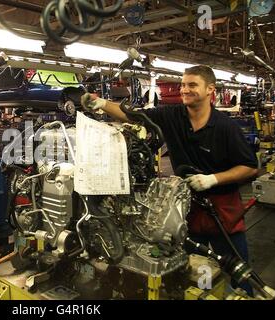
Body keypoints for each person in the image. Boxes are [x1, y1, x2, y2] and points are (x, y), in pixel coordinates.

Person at [81, 65, 258, 295]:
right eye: (183, 84)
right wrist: (102, 103)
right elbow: (133, 115)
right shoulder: (172, 116)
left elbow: (250, 167)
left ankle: (243, 294)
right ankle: (202, 293)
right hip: (187, 211)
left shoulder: (226, 127)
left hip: (223, 212)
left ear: (209, 90)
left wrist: (213, 179)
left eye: (192, 85)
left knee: (239, 272)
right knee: (194, 271)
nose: (185, 89)